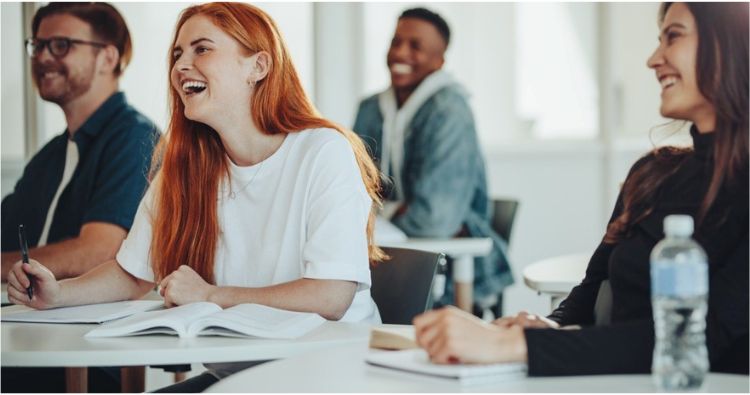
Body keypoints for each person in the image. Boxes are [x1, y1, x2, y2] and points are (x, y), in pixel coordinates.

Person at [7, 2, 384, 392]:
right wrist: (58, 294)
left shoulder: (323, 151)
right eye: (177, 54)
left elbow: (330, 296)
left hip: (324, 376)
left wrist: (210, 296)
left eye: (201, 49)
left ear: (258, 67)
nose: (180, 66)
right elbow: (132, 271)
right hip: (239, 376)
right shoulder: (186, 165)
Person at [413, 2, 748, 375]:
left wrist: (513, 345)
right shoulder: (653, 173)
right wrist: (548, 327)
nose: (654, 59)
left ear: (732, 44)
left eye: (674, 37)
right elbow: (590, 292)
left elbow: (699, 339)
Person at [1, 3, 159, 392]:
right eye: (37, 46)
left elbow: (100, 251)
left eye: (60, 45)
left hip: (85, 358)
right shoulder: (51, 156)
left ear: (108, 56)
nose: (42, 57)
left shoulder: (136, 139)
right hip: (27, 339)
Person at [352, 7, 511, 314]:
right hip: (387, 258)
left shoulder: (449, 110)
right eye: (395, 41)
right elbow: (349, 193)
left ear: (440, 61)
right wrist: (397, 208)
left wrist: (380, 211)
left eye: (416, 46)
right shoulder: (371, 108)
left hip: (452, 270)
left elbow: (435, 219)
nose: (400, 52)